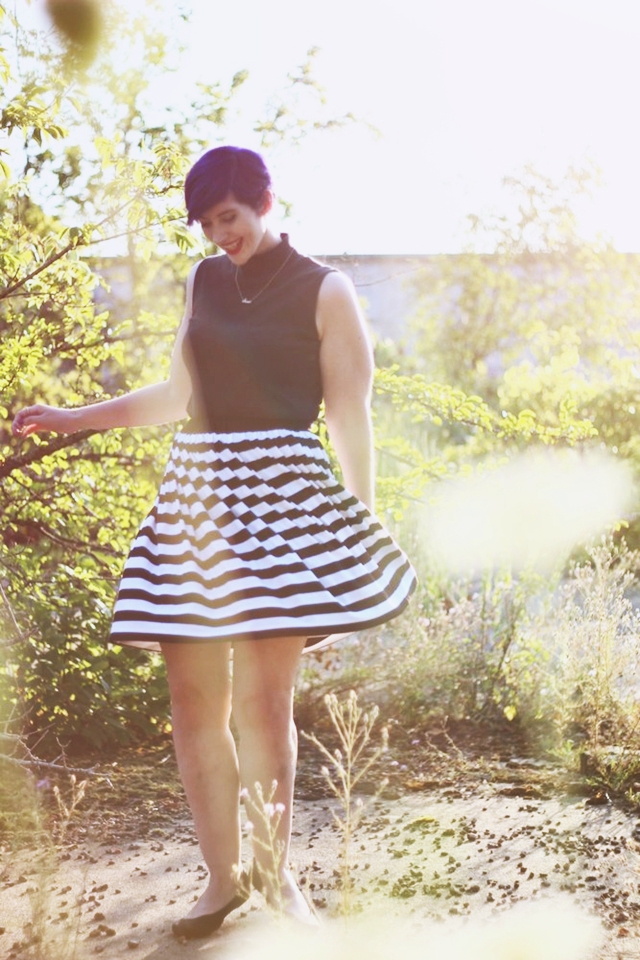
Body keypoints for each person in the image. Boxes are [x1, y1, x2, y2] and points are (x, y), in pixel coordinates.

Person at [12, 146, 417, 938]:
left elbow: (348, 416)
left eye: (227, 216)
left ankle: (277, 880)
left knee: (263, 705)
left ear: (265, 200)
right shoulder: (202, 281)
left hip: (283, 500)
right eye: (205, 222)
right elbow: (175, 395)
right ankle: (220, 882)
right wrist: (73, 417)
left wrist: (357, 521)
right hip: (196, 498)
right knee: (192, 699)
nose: (217, 233)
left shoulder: (326, 290)